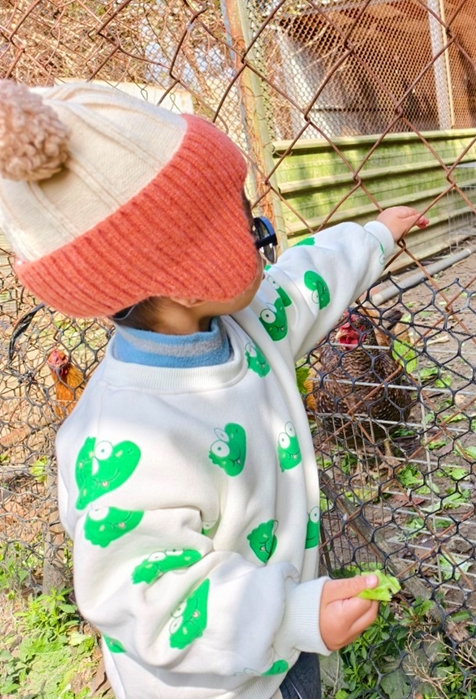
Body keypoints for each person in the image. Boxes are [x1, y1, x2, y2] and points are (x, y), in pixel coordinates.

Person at [0, 79, 427, 699]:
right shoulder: (125, 440)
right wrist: (290, 616)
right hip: (216, 684)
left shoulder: (246, 325)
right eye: (241, 219)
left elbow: (307, 281)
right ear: (188, 275)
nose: (262, 230)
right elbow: (157, 604)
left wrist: (373, 237)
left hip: (281, 645)